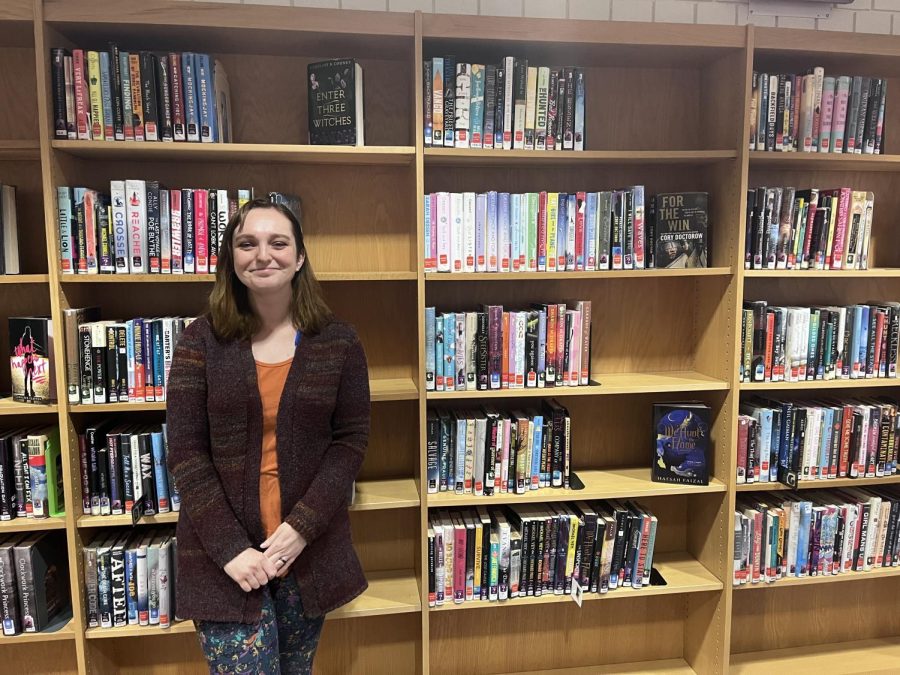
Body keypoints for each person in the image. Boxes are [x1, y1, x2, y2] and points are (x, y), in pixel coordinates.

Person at [166, 197, 370, 674]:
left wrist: (302, 528)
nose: (263, 255)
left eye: (278, 243)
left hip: (305, 555)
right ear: (231, 261)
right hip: (226, 563)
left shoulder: (339, 341)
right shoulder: (200, 341)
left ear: (299, 257)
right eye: (246, 243)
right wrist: (230, 549)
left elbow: (351, 441)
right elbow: (186, 452)